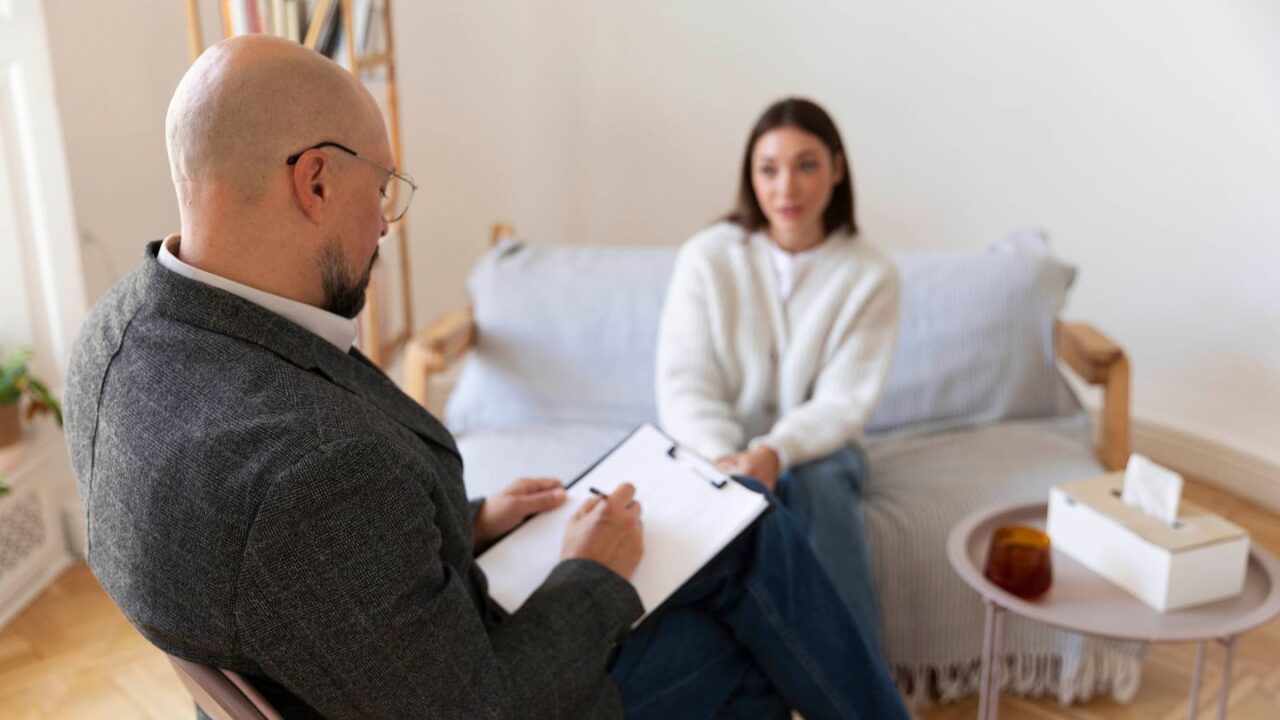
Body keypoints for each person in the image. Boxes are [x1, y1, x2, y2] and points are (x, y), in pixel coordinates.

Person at [63, 38, 908, 719]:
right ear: (314, 181)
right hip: (485, 680)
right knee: (752, 652)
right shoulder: (313, 474)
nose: (387, 224)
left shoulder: (114, 339)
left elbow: (319, 578)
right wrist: (592, 574)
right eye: (382, 186)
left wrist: (471, 524)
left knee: (754, 535)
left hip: (387, 657)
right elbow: (479, 704)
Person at [656, 98, 901, 647]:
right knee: (722, 510)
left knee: (815, 484)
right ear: (750, 176)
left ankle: (859, 686)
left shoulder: (871, 274)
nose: (786, 187)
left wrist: (775, 451)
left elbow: (844, 402)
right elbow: (685, 382)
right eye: (769, 169)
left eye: (806, 165)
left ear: (837, 169)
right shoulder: (707, 257)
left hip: (817, 453)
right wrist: (725, 460)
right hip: (711, 449)